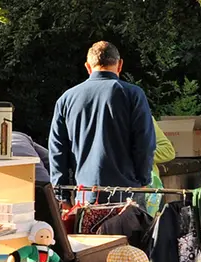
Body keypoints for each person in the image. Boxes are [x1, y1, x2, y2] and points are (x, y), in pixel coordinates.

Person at [49, 41, 156, 192]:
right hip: (126, 193)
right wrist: (143, 180)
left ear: (87, 67)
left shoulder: (67, 99)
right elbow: (144, 144)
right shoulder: (133, 95)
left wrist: (62, 196)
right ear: (120, 65)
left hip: (85, 194)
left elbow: (57, 151)